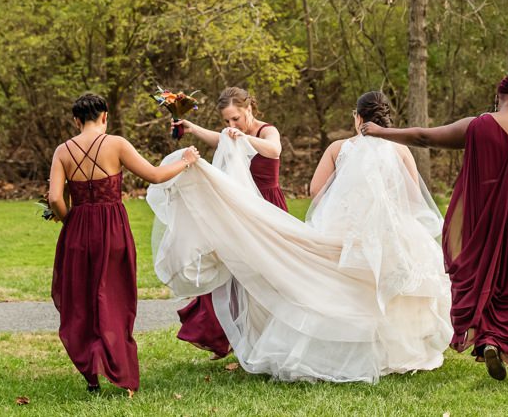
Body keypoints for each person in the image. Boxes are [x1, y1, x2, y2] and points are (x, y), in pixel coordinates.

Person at [146, 91, 451, 383]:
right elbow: (413, 195)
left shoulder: (339, 148)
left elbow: (316, 191)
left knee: (338, 287)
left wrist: (346, 196)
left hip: (346, 229)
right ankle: (396, 352)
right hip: (391, 232)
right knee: (392, 288)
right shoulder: (400, 149)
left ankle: (343, 351)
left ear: (358, 118)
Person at [362, 75, 508, 382]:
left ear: (500, 95)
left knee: (491, 278)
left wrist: (381, 131)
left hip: (489, 217)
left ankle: (490, 339)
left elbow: (425, 136)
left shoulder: (477, 125)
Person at [48, 93, 199, 394]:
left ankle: (92, 372)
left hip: (78, 228)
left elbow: (54, 198)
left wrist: (70, 221)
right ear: (105, 116)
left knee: (83, 299)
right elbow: (155, 176)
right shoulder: (116, 144)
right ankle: (121, 371)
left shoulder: (62, 151)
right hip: (112, 228)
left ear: (76, 120)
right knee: (114, 296)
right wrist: (186, 160)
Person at [171, 87, 286, 358]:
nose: (231, 125)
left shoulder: (266, 130)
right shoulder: (231, 133)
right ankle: (231, 335)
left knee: (268, 273)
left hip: (267, 207)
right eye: (227, 121)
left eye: (236, 118)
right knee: (231, 270)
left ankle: (272, 335)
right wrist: (191, 128)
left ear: (249, 108)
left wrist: (244, 137)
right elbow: (221, 140)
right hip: (240, 210)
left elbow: (274, 149)